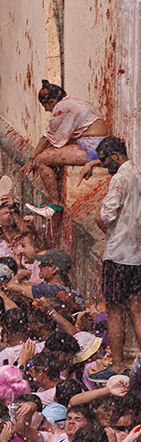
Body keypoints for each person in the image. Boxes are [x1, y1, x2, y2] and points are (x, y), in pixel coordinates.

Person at [91, 136, 141, 373]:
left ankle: (118, 365)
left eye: (103, 160)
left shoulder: (120, 178)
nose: (103, 165)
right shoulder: (138, 174)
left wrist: (98, 219)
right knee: (137, 309)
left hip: (119, 254)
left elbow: (106, 216)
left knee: (114, 311)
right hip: (137, 254)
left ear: (115, 156)